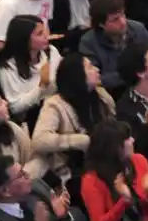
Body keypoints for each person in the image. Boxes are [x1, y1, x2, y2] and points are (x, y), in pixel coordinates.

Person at [31, 54, 116, 186]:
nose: (97, 69)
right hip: (70, 172)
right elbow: (39, 140)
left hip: (102, 164)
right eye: (90, 67)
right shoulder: (55, 104)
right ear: (77, 75)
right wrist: (79, 140)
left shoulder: (102, 97)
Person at [80, 119, 148, 221]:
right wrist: (124, 201)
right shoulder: (91, 180)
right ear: (113, 148)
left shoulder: (139, 160)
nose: (132, 140)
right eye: (127, 139)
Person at [78, 0, 148, 92]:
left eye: (123, 15)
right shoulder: (88, 43)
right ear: (101, 24)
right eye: (115, 19)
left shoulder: (137, 29)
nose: (123, 22)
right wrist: (135, 73)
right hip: (116, 93)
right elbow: (96, 79)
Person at [0, 16, 61, 128]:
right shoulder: (7, 67)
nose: (46, 36)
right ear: (24, 39)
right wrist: (41, 87)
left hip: (57, 108)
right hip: (30, 120)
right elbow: (15, 107)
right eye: (40, 34)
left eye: (45, 31)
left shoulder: (51, 52)